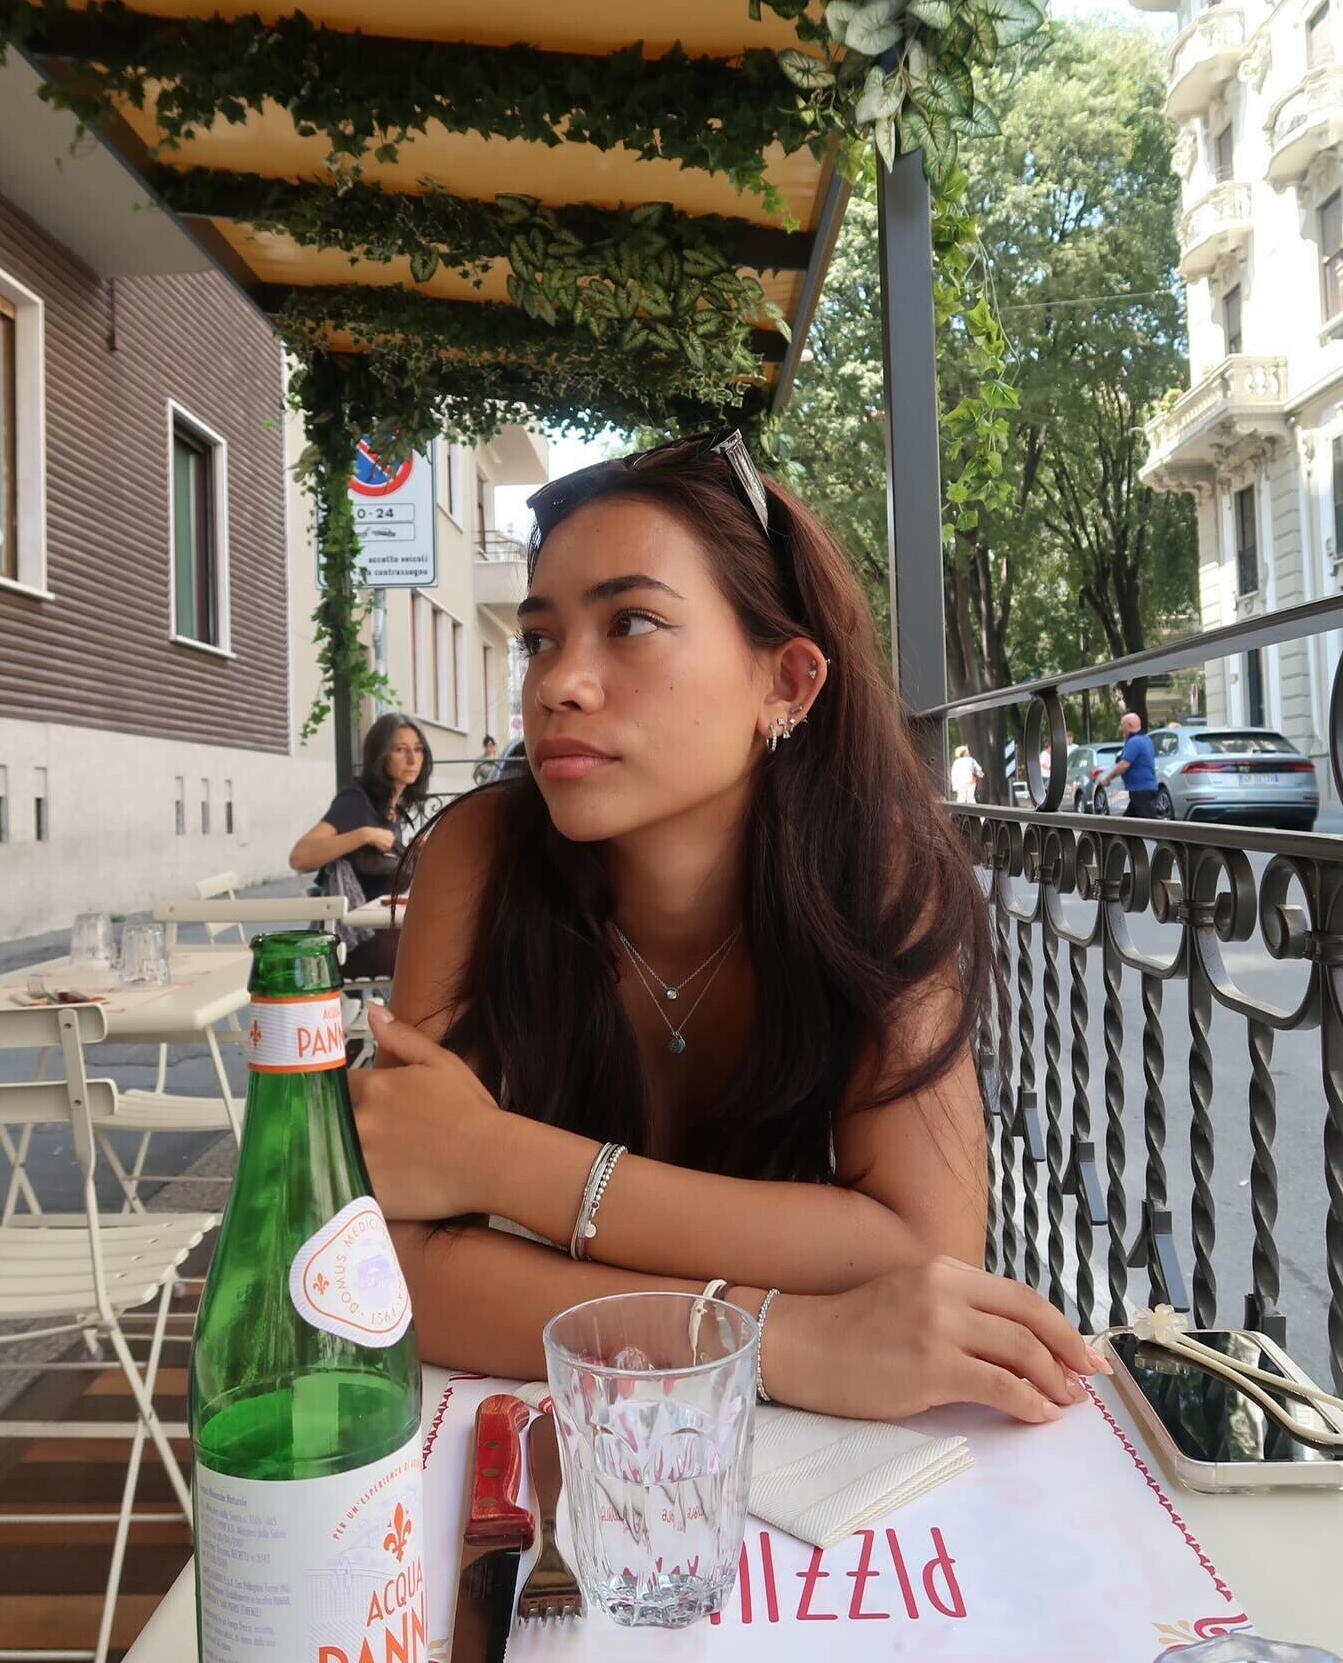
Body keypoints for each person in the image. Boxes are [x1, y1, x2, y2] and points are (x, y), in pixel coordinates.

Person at [350, 430, 1104, 1425]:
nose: (557, 684)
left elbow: (925, 1246)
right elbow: (393, 1264)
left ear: (786, 684)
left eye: (631, 623)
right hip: (577, 1442)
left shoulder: (870, 873)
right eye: (540, 638)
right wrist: (782, 1340)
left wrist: (496, 1159)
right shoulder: (481, 855)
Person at [288, 712, 432, 979]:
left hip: (381, 930)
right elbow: (299, 856)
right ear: (380, 756)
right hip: (354, 942)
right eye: (401, 750)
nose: (413, 759)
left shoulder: (390, 810)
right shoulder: (356, 801)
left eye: (418, 749)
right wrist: (364, 835)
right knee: (436, 957)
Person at [1097, 711, 1157, 817]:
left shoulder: (1134, 742)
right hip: (1144, 789)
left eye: (1122, 725)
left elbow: (1124, 765)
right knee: (1128, 822)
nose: (1121, 729)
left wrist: (1108, 778)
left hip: (1141, 790)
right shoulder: (1146, 739)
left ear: (1129, 725)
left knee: (1148, 824)